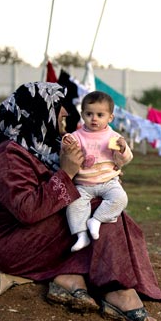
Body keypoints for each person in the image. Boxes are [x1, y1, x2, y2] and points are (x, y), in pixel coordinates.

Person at [0, 82, 161, 321]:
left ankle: (70, 277)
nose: (66, 112)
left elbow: (80, 180)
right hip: (9, 241)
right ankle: (116, 289)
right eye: (58, 106)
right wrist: (66, 172)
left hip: (39, 230)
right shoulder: (8, 156)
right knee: (99, 210)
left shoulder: (44, 145)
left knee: (104, 206)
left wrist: (107, 171)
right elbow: (26, 210)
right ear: (38, 110)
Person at [63, 91, 133, 252]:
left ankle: (96, 220)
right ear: (82, 115)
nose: (94, 119)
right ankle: (81, 235)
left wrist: (123, 149)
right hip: (84, 183)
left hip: (108, 181)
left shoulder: (114, 137)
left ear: (110, 118)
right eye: (89, 114)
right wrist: (66, 144)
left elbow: (126, 159)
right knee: (74, 205)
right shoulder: (77, 136)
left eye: (100, 115)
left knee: (120, 198)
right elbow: (68, 150)